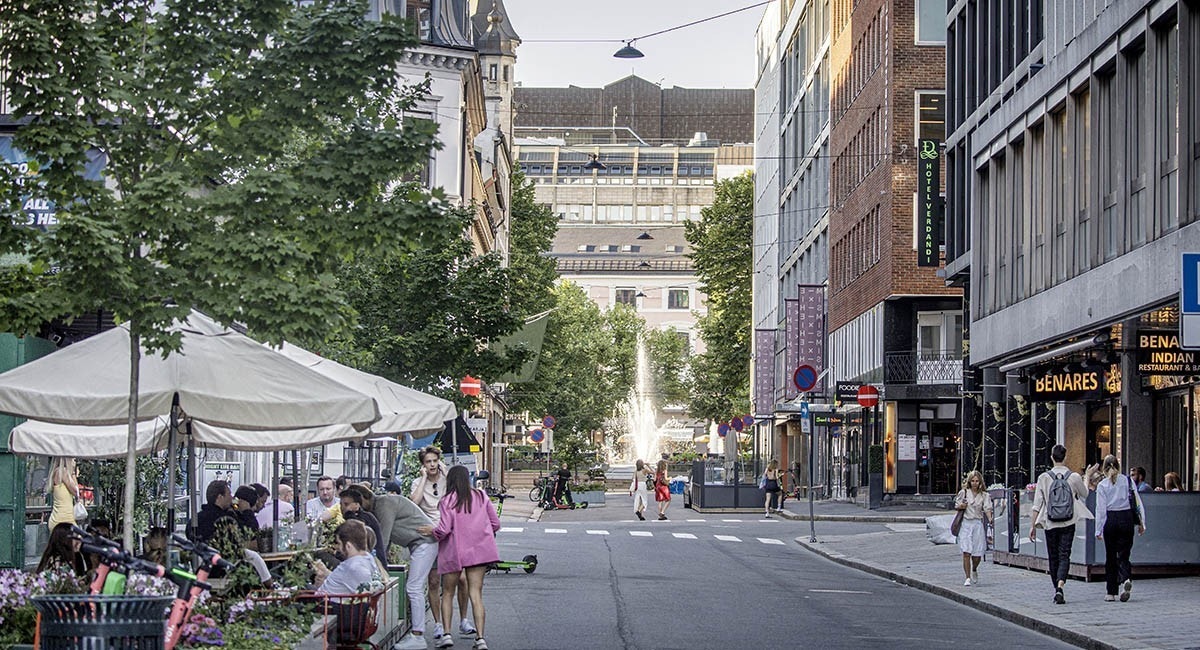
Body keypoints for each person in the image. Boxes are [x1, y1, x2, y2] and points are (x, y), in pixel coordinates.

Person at [417, 465, 500, 650]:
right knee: (476, 594)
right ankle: (480, 638)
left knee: (447, 593)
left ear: (450, 481)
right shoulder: (481, 496)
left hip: (454, 551)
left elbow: (444, 529)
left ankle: (447, 634)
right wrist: (481, 532)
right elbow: (495, 523)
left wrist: (432, 531)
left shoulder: (447, 500)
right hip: (478, 551)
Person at [410, 445, 474, 641]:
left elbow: (461, 495)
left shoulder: (447, 480)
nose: (432, 465)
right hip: (430, 534)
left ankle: (464, 620)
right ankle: (438, 624)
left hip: (451, 533)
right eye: (428, 462)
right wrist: (422, 479)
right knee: (434, 581)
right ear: (423, 464)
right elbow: (413, 502)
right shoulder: (418, 482)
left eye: (434, 461)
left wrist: (447, 472)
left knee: (461, 579)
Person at [1029, 444, 1093, 605]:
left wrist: (1032, 526)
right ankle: (1060, 586)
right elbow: (1085, 494)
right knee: (1065, 555)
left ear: (1052, 457)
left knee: (1053, 557)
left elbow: (1037, 504)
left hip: (1050, 522)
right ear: (1065, 457)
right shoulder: (1074, 477)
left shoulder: (1044, 477)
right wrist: (1087, 477)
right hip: (1068, 521)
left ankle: (1056, 589)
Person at [373, 494, 439, 649]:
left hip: (424, 544)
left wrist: (379, 564)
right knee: (415, 587)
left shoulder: (384, 504)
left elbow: (384, 538)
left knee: (414, 587)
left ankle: (418, 636)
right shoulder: (386, 502)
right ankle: (418, 634)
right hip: (422, 544)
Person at [1095, 455, 1145, 602]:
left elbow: (1101, 509)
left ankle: (1111, 592)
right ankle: (1126, 578)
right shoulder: (1127, 481)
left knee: (1110, 556)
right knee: (1124, 554)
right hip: (1126, 518)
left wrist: (1098, 529)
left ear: (1104, 469)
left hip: (1110, 519)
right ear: (1119, 466)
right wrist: (1142, 523)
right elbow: (1137, 502)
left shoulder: (1102, 485)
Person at [954, 470, 993, 586]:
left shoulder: (984, 495)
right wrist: (961, 506)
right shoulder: (964, 493)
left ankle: (974, 568)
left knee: (977, 553)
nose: (975, 483)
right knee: (966, 551)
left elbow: (987, 509)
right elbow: (956, 505)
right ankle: (967, 577)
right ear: (969, 482)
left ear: (980, 482)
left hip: (977, 523)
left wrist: (990, 519)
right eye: (973, 481)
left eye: (977, 481)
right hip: (966, 523)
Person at [340, 486, 386, 562]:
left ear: (356, 505)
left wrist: (349, 515)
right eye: (341, 504)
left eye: (346, 504)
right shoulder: (366, 516)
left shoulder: (363, 519)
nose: (342, 508)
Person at [47, 457, 80, 532]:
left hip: (64, 517)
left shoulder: (61, 472)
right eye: (73, 459)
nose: (74, 462)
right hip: (63, 519)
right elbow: (75, 491)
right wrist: (73, 473)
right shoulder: (62, 472)